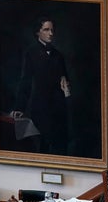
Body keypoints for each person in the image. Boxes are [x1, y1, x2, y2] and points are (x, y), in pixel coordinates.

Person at [12, 17, 71, 155]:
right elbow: (26, 81)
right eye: (46, 30)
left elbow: (65, 80)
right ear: (38, 32)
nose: (51, 33)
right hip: (40, 108)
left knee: (59, 145)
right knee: (42, 146)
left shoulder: (58, 55)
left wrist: (66, 87)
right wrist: (20, 107)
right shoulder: (31, 53)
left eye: (52, 30)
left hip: (58, 108)